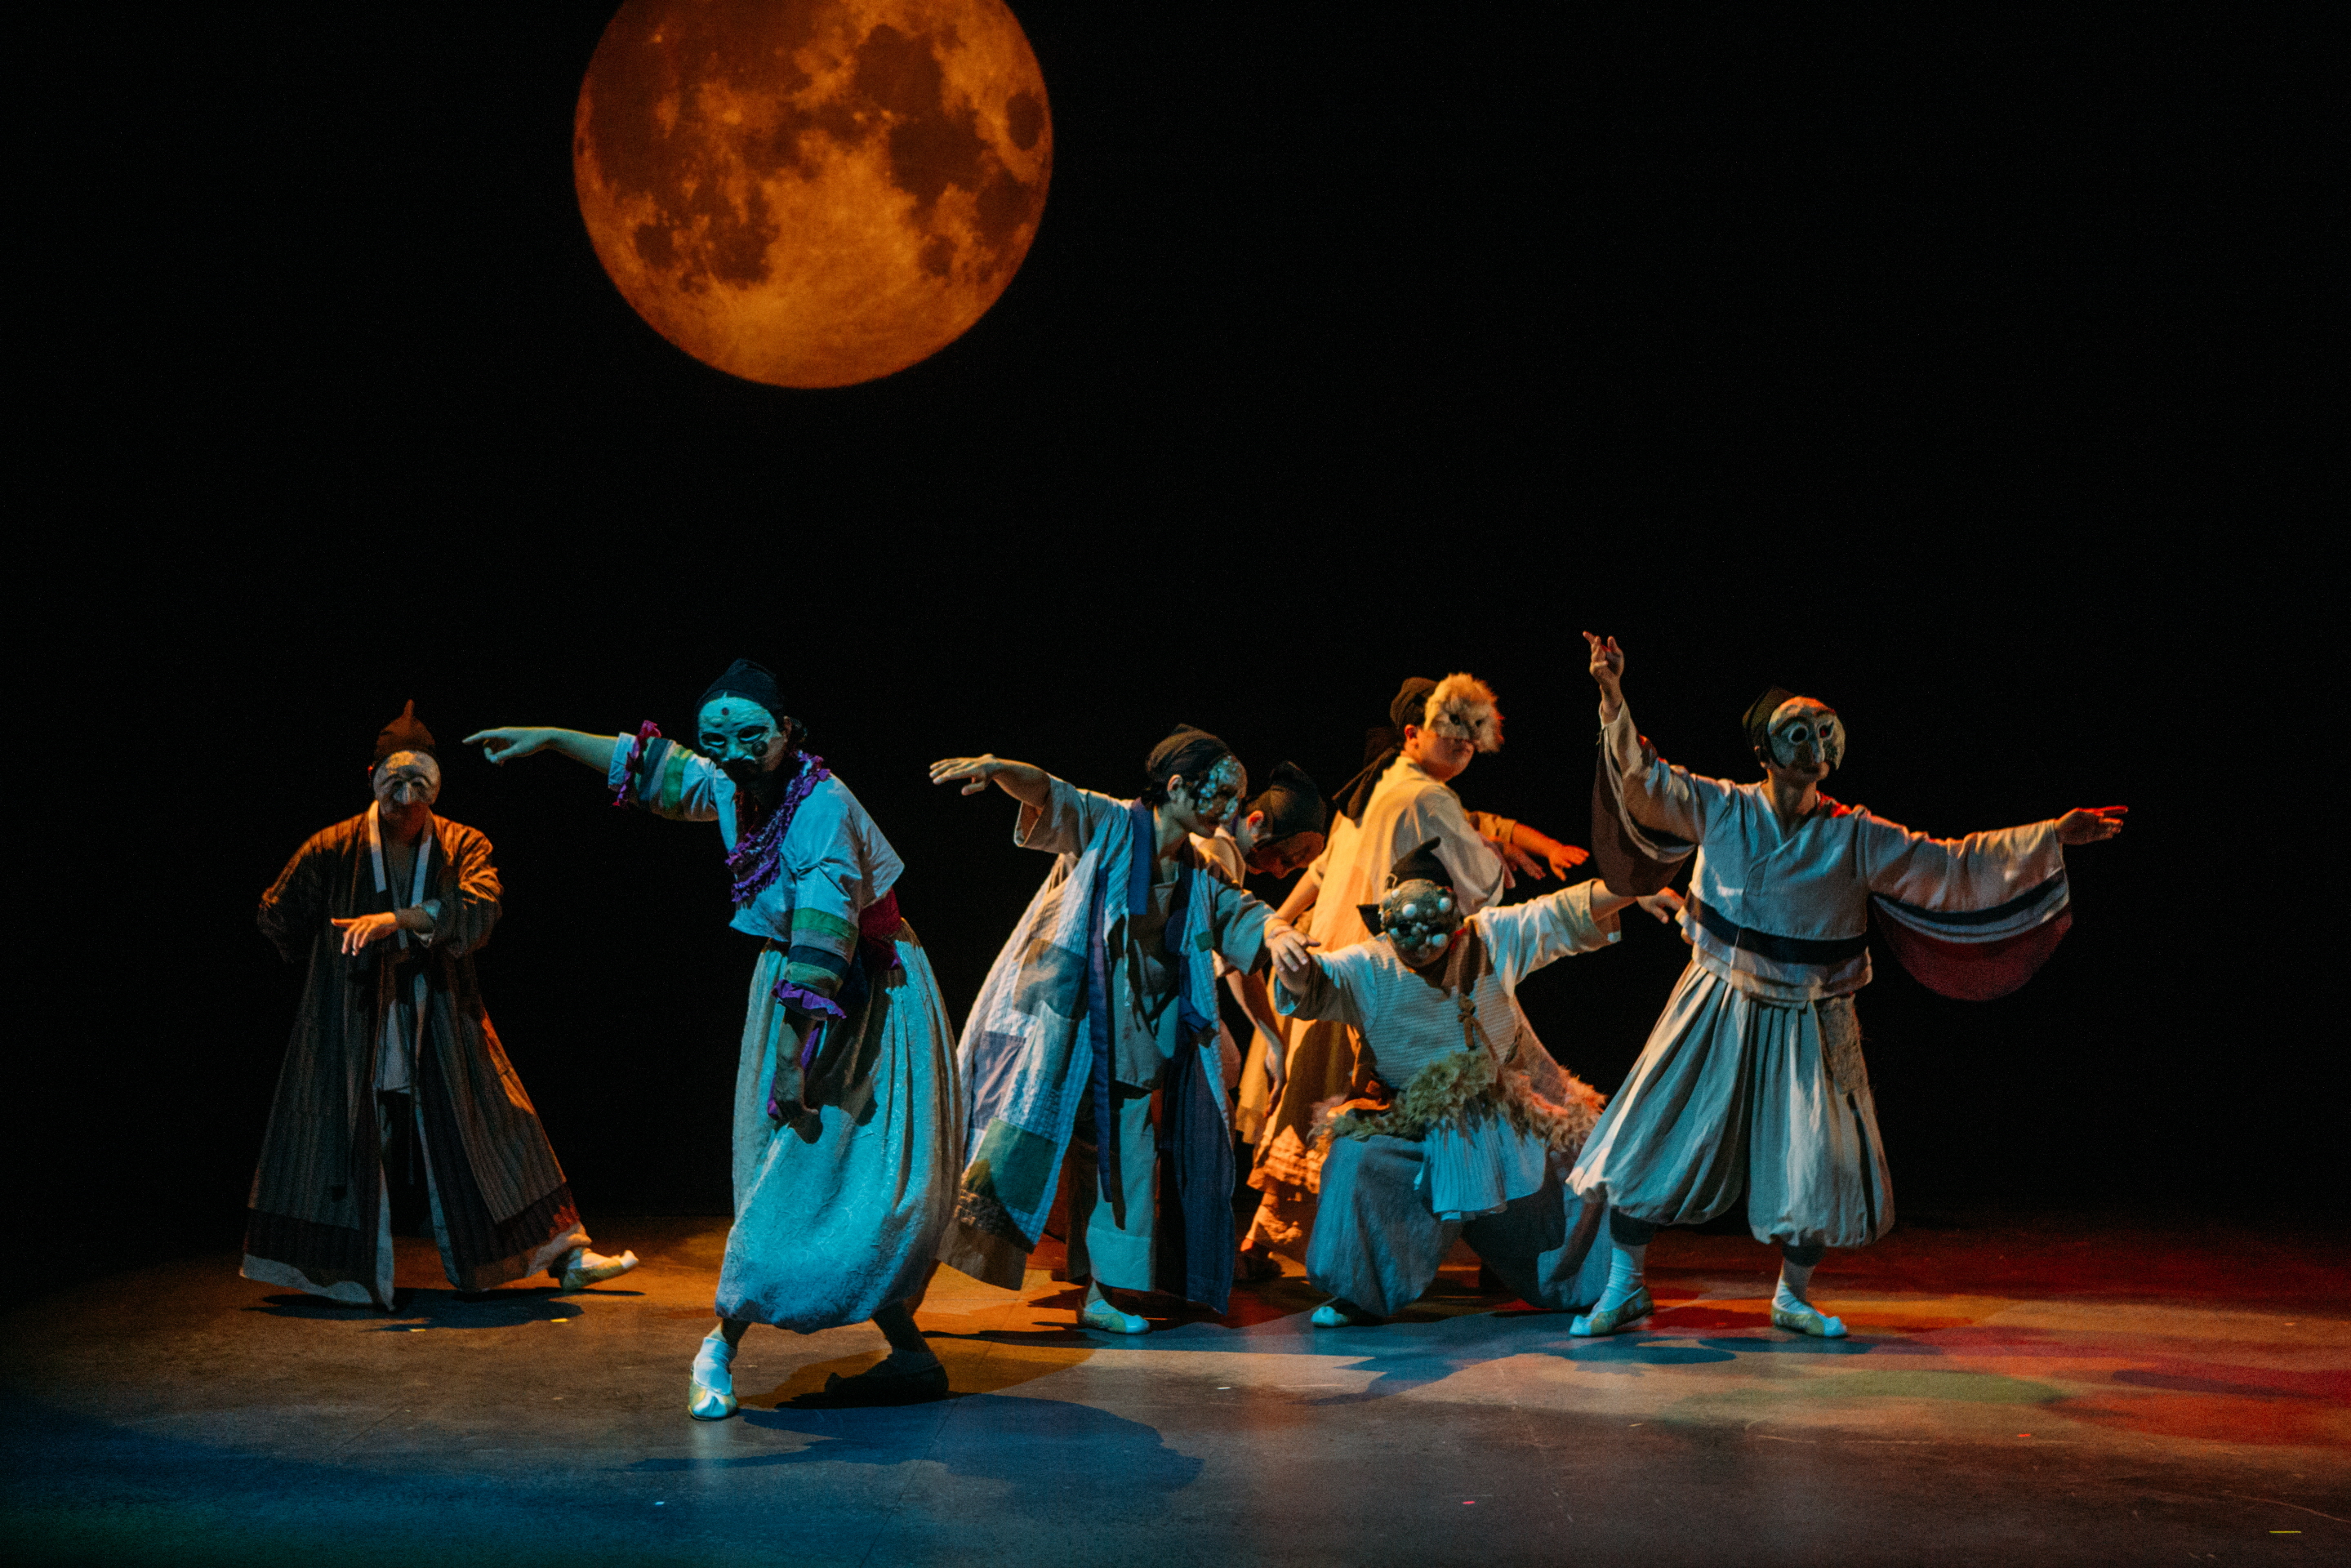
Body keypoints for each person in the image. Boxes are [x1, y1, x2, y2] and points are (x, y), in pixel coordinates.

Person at [1569, 632, 2126, 1338]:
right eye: (1796, 732)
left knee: (1818, 1153)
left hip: (1812, 1007)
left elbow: (1949, 865)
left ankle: (1791, 1296)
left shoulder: (1855, 834)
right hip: (1719, 995)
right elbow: (1644, 783)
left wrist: (2048, 836)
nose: (1814, 744)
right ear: (1763, 750)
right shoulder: (1722, 807)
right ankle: (1623, 1287)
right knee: (1656, 1128)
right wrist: (1611, 694)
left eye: (1824, 730)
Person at [466, 660, 961, 1416]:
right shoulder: (739, 785)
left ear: (788, 730)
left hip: (857, 996)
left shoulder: (819, 808)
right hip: (801, 987)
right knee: (809, 1170)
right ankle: (908, 1353)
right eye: (717, 740)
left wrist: (791, 1065)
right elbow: (660, 771)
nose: (732, 754)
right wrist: (554, 739)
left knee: (820, 1171)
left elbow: (823, 940)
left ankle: (721, 1343)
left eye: (751, 737)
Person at [247, 702, 636, 1310]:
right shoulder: (333, 847)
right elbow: (277, 913)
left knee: (497, 1123)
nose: (406, 798)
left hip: (443, 1014)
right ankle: (336, 1271)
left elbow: (481, 906)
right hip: (355, 1016)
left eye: (419, 784)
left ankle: (565, 1255)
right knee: (341, 1135)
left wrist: (398, 920)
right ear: (372, 778)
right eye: (393, 783)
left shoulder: (462, 844)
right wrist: (326, 969)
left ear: (437, 785)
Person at [931, 729, 1318, 1331]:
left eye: (1233, 799)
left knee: (1124, 1156)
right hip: (1068, 1020)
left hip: (1135, 1030)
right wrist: (1004, 769)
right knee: (1013, 1145)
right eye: (1219, 794)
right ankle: (917, 1264)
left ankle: (1102, 1291)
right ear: (1176, 787)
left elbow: (1238, 910)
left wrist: (1278, 932)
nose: (1228, 810)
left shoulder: (1198, 866)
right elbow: (1053, 795)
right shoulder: (1113, 824)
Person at [1243, 674, 1589, 1267]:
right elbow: (1478, 882)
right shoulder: (1422, 797)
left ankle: (1272, 1238)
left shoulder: (1377, 786)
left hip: (1338, 965)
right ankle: (1515, 1239)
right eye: (1451, 728)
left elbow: (1328, 869)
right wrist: (1493, 859)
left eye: (1472, 731)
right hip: (1396, 972)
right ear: (1412, 733)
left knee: (1319, 1097)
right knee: (1492, 1086)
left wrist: (1279, 921)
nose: (1464, 742)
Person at [1276, 842, 1682, 1323]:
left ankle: (1594, 1284)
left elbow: (1558, 913)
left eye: (1435, 934)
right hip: (1411, 1127)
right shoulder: (1369, 966)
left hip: (1505, 1118)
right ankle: (1358, 1295)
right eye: (1408, 936)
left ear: (1455, 921)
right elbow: (1316, 982)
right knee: (1358, 1161)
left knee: (1582, 1159)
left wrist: (1633, 891)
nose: (1423, 949)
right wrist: (1291, 961)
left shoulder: (1490, 938)